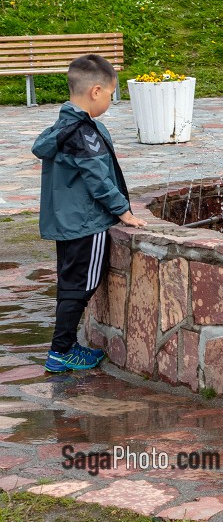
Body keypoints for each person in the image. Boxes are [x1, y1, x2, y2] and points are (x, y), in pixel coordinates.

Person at [31, 54, 146, 373]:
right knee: (81, 286)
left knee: (70, 284)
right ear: (96, 91)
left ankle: (65, 346)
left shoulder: (62, 126)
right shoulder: (84, 133)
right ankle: (61, 351)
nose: (109, 100)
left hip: (68, 222)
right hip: (87, 224)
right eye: (110, 94)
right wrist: (124, 212)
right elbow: (99, 180)